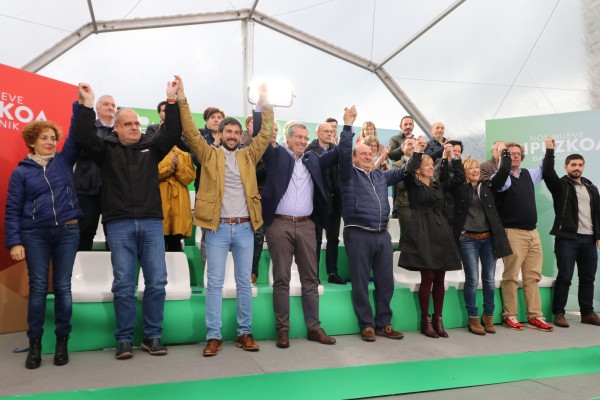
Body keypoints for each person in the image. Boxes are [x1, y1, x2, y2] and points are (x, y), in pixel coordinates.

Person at [73, 78, 183, 359]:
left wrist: (171, 101)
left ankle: (152, 336)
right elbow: (83, 137)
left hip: (150, 223)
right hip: (118, 223)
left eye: (137, 123)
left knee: (157, 281)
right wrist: (86, 105)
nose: (135, 127)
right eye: (129, 124)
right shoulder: (105, 149)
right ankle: (123, 339)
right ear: (117, 127)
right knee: (123, 283)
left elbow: (172, 132)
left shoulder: (151, 147)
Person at [179, 79, 274, 357]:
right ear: (218, 135)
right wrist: (182, 99)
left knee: (245, 282)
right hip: (217, 229)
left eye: (236, 131)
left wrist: (265, 101)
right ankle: (214, 336)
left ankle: (245, 333)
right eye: (227, 131)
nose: (232, 135)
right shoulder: (208, 154)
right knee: (215, 283)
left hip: (245, 229)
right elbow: (188, 131)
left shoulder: (249, 155)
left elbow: (266, 133)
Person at [5, 120, 82, 369]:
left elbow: (75, 134)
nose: (50, 142)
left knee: (63, 287)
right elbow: (13, 209)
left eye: (52, 138)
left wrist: (82, 105)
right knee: (38, 287)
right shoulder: (21, 173)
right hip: (35, 234)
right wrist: (14, 241)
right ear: (31, 142)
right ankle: (35, 343)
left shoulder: (63, 161)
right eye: (44, 138)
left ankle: (62, 342)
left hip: (68, 231)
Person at [261, 119, 339, 349]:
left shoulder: (313, 159)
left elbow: (339, 154)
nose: (303, 142)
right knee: (281, 279)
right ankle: (283, 330)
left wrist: (346, 126)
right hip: (279, 224)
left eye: (306, 138)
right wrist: (262, 106)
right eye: (299, 137)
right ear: (288, 137)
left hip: (307, 225)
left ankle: (314, 328)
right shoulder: (277, 156)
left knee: (310, 280)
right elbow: (261, 136)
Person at [338, 105, 406, 342]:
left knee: (386, 282)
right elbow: (345, 148)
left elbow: (404, 172)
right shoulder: (347, 174)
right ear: (354, 158)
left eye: (370, 154)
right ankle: (366, 324)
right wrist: (347, 125)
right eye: (363, 154)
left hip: (381, 235)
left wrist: (415, 153)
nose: (368, 157)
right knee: (360, 282)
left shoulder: (379, 175)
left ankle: (383, 323)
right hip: (358, 234)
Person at [398, 137, 464, 338]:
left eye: (430, 164)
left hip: (440, 231)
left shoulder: (437, 185)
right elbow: (407, 171)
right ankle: (425, 320)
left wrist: (452, 157)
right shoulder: (412, 183)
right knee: (427, 277)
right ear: (418, 168)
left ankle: (438, 319)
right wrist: (417, 152)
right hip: (421, 231)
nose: (429, 167)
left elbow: (459, 178)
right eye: (425, 165)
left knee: (440, 277)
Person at [448, 146, 512, 335]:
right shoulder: (459, 189)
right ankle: (473, 318)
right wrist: (455, 160)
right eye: (471, 168)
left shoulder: (488, 186)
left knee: (489, 281)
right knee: (473, 280)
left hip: (489, 239)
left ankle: (488, 316)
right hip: (467, 239)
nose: (476, 170)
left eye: (477, 167)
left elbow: (503, 172)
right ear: (464, 172)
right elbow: (454, 178)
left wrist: (504, 154)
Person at [495, 141, 553, 332]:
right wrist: (503, 162)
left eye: (518, 153)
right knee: (511, 276)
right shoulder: (502, 176)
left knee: (532, 277)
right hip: (512, 232)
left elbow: (543, 170)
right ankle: (509, 315)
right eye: (511, 153)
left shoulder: (528, 174)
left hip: (533, 233)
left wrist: (549, 151)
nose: (516, 156)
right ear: (505, 156)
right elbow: (500, 184)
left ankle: (535, 316)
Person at [542, 139, 600, 328]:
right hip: (567, 239)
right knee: (565, 276)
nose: (577, 168)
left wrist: (598, 235)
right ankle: (559, 313)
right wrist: (550, 150)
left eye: (580, 165)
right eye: (573, 165)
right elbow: (548, 172)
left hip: (590, 239)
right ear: (566, 166)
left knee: (588, 278)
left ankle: (587, 313)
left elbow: (597, 213)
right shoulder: (561, 186)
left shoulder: (591, 187)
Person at [73, 94, 116, 251]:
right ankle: (79, 273)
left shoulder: (120, 132)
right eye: (106, 104)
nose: (110, 107)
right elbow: (82, 148)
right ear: (97, 109)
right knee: (84, 232)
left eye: (113, 105)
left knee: (113, 234)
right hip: (86, 189)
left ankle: (115, 273)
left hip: (112, 192)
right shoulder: (87, 127)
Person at [305, 122, 345, 284]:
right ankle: (313, 274)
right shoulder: (309, 150)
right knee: (316, 239)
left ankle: (332, 272)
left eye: (331, 131)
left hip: (335, 200)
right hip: (317, 201)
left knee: (333, 238)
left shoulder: (335, 150)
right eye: (326, 131)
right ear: (318, 133)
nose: (329, 133)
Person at [158, 145, 195, 251]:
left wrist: (178, 165)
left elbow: (189, 178)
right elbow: (152, 173)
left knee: (175, 241)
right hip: (161, 200)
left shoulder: (184, 154)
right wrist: (170, 167)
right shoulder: (155, 151)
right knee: (159, 241)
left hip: (179, 202)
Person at [388, 116, 415, 217]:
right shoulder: (394, 139)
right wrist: (404, 145)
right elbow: (391, 155)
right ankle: (395, 211)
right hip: (398, 169)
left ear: (413, 126)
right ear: (401, 126)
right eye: (405, 124)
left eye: (410, 124)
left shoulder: (416, 140)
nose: (408, 126)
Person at [434, 140, 463, 227]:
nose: (457, 153)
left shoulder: (461, 166)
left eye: (459, 151)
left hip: (458, 202)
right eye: (454, 151)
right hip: (445, 203)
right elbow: (436, 179)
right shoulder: (441, 162)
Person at [394, 137, 416, 249]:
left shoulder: (424, 162)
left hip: (420, 204)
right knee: (406, 234)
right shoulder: (397, 164)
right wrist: (412, 172)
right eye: (409, 144)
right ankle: (401, 262)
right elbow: (399, 185)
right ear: (403, 148)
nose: (413, 146)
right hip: (405, 204)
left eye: (414, 144)